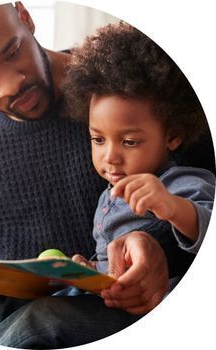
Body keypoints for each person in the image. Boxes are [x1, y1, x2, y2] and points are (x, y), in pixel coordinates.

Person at [0, 3, 214, 348]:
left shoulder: (141, 91)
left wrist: (159, 252)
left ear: (25, 17)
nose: (10, 84)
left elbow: (197, 205)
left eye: (12, 51)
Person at [61, 22, 214, 282]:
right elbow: (112, 265)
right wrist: (88, 268)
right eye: (98, 139)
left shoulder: (180, 183)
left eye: (130, 142)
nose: (110, 156)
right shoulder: (107, 197)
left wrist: (173, 207)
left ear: (173, 135)